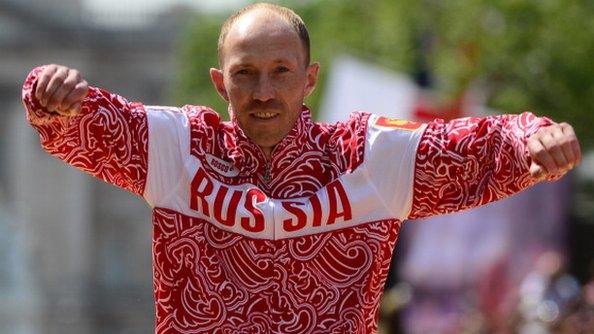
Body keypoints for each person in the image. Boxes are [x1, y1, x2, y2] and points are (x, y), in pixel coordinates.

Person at [21, 3, 581, 333]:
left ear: (309, 80)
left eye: (281, 71)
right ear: (222, 83)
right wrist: (50, 92)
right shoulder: (179, 146)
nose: (264, 92)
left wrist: (537, 140)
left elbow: (480, 143)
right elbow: (83, 122)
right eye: (246, 74)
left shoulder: (369, 155)